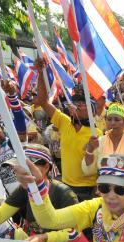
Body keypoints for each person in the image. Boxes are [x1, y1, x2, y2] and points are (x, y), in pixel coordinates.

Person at [33, 58, 102, 201]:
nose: (77, 105)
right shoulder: (64, 122)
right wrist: (41, 73)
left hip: (88, 190)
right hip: (66, 187)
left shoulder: (97, 134)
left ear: (91, 109)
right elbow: (43, 101)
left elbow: (101, 165)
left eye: (82, 103)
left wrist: (98, 189)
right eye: (75, 102)